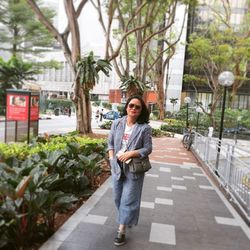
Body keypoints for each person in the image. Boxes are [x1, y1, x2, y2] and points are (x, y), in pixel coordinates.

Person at [107, 95, 152, 246]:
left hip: (134, 168)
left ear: (141, 111)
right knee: (117, 197)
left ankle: (121, 230)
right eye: (131, 105)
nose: (133, 108)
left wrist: (131, 153)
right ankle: (127, 218)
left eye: (137, 107)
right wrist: (112, 159)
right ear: (126, 107)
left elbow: (148, 148)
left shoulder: (144, 128)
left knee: (128, 199)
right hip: (117, 167)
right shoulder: (117, 123)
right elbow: (110, 144)